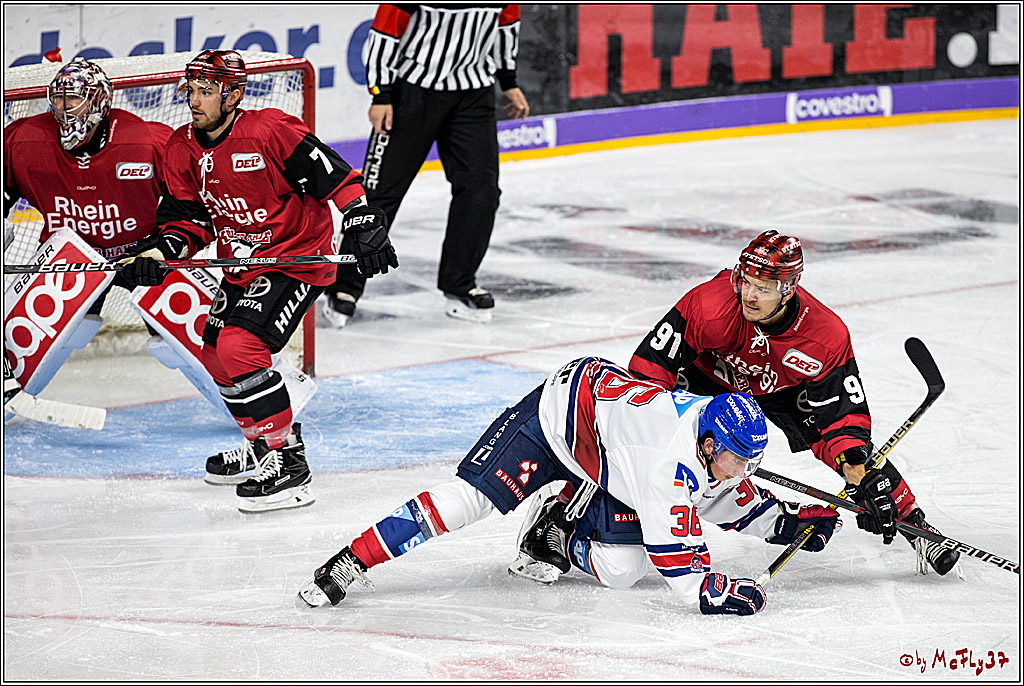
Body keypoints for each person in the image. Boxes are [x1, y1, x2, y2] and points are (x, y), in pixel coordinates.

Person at [515, 230, 960, 581]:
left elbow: (842, 420)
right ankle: (560, 513)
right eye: (746, 281)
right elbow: (647, 372)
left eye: (764, 286)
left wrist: (858, 473)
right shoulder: (708, 304)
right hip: (708, 381)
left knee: (859, 463)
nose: (750, 294)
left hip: (784, 390)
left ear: (789, 288)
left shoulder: (825, 336)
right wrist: (660, 433)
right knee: (627, 437)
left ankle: (916, 526)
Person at [297, 356, 841, 615]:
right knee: (469, 501)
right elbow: (681, 561)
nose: (742, 469)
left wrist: (788, 522)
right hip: (554, 417)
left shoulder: (710, 426)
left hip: (608, 443)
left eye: (750, 460)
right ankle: (352, 559)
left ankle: (564, 524)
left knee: (623, 573)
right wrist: (716, 591)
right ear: (704, 446)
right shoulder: (668, 469)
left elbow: (727, 493)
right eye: (734, 459)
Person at [118, 49, 399, 513]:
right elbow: (188, 220)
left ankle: (289, 465)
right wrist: (159, 252)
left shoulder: (269, 131)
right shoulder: (181, 147)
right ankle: (261, 446)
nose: (194, 100)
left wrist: (364, 220)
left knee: (239, 347)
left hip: (296, 260)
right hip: (241, 264)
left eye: (206, 91)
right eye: (191, 90)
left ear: (232, 94)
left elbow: (335, 175)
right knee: (214, 354)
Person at [323, 3, 530, 327]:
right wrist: (381, 94)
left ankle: (459, 284)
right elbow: (383, 34)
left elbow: (507, 29)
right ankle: (344, 286)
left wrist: (508, 80)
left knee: (481, 191)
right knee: (379, 193)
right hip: (412, 93)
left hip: (473, 95)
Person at [3, 59, 177, 393]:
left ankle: (250, 402)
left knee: (183, 332)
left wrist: (166, 244)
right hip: (69, 260)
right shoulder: (24, 142)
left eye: (74, 98)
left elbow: (184, 203)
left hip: (138, 254)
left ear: (98, 100)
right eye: (58, 98)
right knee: (31, 332)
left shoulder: (146, 141)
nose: (64, 108)